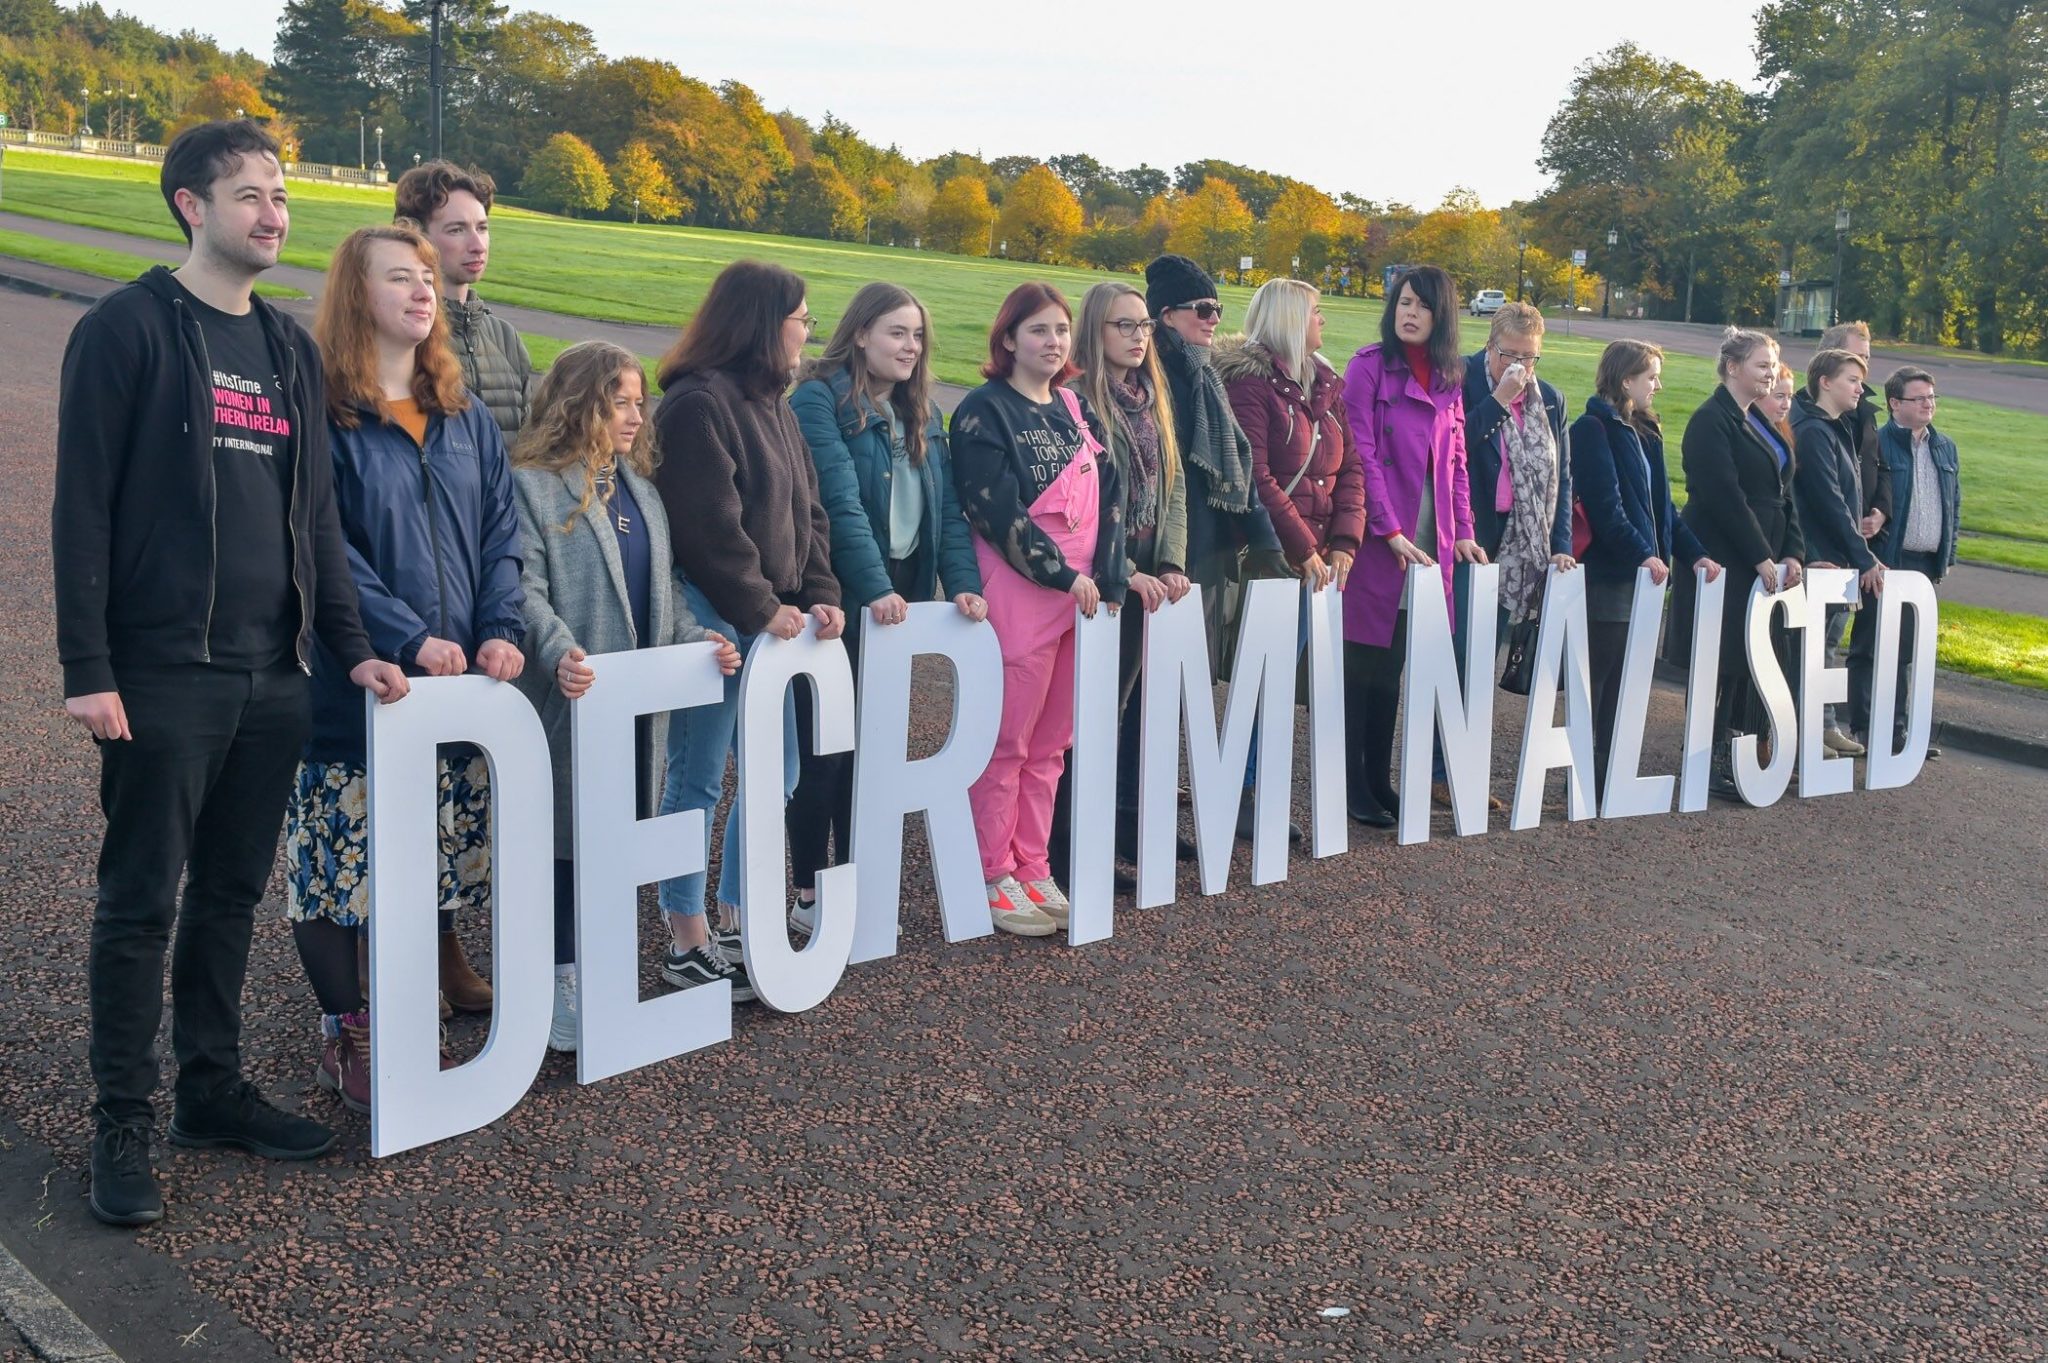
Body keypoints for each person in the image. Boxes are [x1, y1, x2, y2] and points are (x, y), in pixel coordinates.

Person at [54, 120, 408, 1227]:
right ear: (188, 206)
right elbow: (82, 506)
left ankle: (207, 1089)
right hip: (162, 673)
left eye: (281, 196)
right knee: (139, 901)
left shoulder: (288, 349)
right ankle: (123, 1112)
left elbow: (315, 524)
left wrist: (349, 652)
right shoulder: (127, 329)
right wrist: (87, 664)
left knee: (231, 894)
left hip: (273, 677)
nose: (272, 213)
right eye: (248, 193)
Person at [284, 223, 527, 1114]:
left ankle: (421, 982)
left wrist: (500, 626)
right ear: (358, 296)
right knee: (337, 867)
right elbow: (327, 551)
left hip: (458, 685)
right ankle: (345, 1029)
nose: (424, 291)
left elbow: (504, 533)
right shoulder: (326, 415)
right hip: (361, 682)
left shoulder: (463, 418)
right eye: (401, 278)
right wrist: (404, 638)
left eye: (427, 277)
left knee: (436, 849)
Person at [508, 342, 743, 1051]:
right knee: (560, 845)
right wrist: (555, 652)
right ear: (582, 403)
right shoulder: (532, 484)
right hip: (565, 698)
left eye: (640, 401)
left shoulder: (639, 489)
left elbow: (662, 586)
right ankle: (557, 979)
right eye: (622, 402)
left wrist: (699, 636)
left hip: (633, 709)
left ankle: (596, 968)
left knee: (611, 838)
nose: (639, 415)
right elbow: (520, 587)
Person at [652, 261, 844, 997]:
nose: (808, 331)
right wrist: (762, 607)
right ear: (765, 325)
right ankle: (686, 934)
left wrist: (820, 592)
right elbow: (711, 531)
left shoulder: (776, 406)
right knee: (698, 775)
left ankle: (735, 916)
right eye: (802, 318)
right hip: (717, 618)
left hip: (774, 622)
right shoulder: (698, 405)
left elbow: (811, 516)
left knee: (779, 773)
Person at [787, 284, 986, 931]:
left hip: (896, 600)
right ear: (862, 333)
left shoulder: (919, 412)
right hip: (839, 602)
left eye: (918, 335)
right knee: (825, 757)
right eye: (897, 332)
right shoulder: (819, 400)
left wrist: (961, 582)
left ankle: (861, 883)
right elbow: (838, 505)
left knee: (874, 753)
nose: (910, 346)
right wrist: (873, 588)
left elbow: (948, 510)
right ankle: (809, 891)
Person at [950, 282, 1125, 934]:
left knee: (1052, 743)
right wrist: (1058, 574)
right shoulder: (982, 411)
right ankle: (991, 871)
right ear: (1008, 340)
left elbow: (1113, 493)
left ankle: (1032, 863)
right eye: (1038, 331)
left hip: (1078, 602)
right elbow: (992, 509)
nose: (1052, 343)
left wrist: (1108, 575)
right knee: (1007, 741)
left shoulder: (1077, 409)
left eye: (1059, 330)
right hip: (1022, 596)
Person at [1050, 280, 1189, 887]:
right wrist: (1122, 572)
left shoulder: (1150, 395)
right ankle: (1061, 854)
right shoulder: (1075, 400)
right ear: (1094, 331)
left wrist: (1169, 562)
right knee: (1074, 723)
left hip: (1143, 580)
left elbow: (1175, 486)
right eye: (1123, 326)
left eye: (1143, 327)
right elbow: (1081, 506)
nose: (1138, 338)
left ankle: (1092, 846)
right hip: (1097, 579)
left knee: (1111, 715)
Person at [1214, 277, 1365, 835]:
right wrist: (1304, 547)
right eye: (1315, 313)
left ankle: (1254, 785)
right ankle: (1243, 791)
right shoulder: (1249, 388)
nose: (1323, 321)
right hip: (1276, 558)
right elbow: (1256, 475)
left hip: (1319, 560)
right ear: (1288, 321)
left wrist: (1345, 541)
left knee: (1282, 682)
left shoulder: (1325, 385)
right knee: (1265, 679)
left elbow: (1351, 468)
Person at [1338, 266, 1487, 829]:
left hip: (1432, 543)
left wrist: (1466, 530)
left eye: (1422, 306)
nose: (1410, 313)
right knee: (1362, 669)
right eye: (1403, 303)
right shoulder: (1368, 367)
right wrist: (1388, 528)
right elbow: (1362, 455)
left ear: (1441, 314)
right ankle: (1351, 786)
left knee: (1393, 670)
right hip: (1381, 543)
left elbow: (1457, 462)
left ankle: (1379, 780)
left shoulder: (1451, 378)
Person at [1569, 341, 1720, 797]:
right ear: (1625, 380)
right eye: (1651, 376)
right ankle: (1582, 780)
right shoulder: (1592, 428)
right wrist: (1642, 554)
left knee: (1626, 684)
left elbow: (1665, 510)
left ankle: (1611, 775)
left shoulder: (1646, 430)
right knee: (1598, 682)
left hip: (1646, 580)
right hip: (1611, 577)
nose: (1658, 385)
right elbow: (1605, 509)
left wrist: (1694, 555)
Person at [1450, 301, 1574, 809]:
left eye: (1531, 357)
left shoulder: (1552, 400)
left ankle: (1466, 770)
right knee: (1462, 661)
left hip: (1527, 547)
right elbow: (1455, 444)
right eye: (1509, 355)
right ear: (1489, 346)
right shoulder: (1461, 378)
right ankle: (1444, 770)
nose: (1521, 367)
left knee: (1489, 656)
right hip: (1473, 537)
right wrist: (1500, 398)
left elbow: (1563, 478)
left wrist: (1561, 544)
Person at [1670, 328, 1804, 800]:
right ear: (1732, 367)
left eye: (1773, 365)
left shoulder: (1754, 420)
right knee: (1717, 663)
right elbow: (1722, 496)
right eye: (1762, 365)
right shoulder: (1712, 420)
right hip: (1723, 558)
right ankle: (1703, 759)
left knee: (1743, 663)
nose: (1771, 373)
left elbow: (1784, 495)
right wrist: (1760, 554)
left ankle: (1728, 753)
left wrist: (1792, 552)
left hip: (1759, 560)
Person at [1144, 255, 1288, 672]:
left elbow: (1237, 465)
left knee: (1185, 691)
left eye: (1218, 309)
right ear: (1168, 316)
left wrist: (1266, 541)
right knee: (1149, 693)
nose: (1213, 319)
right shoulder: (1154, 380)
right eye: (1203, 309)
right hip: (1167, 557)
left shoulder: (1205, 377)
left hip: (1207, 550)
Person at [1847, 366, 1958, 758]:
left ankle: (1898, 734)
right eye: (1919, 398)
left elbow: (1953, 505)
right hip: (1886, 560)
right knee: (1869, 647)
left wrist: (1947, 555)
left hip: (1925, 566)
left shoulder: (1945, 447)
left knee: (1906, 653)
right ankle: (1861, 728)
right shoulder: (1877, 443)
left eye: (1932, 397)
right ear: (1895, 404)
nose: (1929, 403)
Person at [1791, 348, 1885, 756]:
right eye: (1852, 380)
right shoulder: (1813, 431)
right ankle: (1806, 732)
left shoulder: (1835, 427)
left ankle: (1824, 726)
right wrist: (1863, 556)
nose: (1860, 389)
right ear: (1825, 382)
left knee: (1828, 648)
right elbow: (1829, 501)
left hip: (1840, 558)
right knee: (1811, 650)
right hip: (1824, 558)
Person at [394, 160, 531, 436]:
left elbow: (529, 448)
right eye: (457, 230)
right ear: (417, 236)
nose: (478, 246)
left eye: (482, 228)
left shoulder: (506, 339)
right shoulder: (400, 334)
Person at [1817, 319, 1892, 550]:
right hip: (1828, 542)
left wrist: (1881, 512)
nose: (1863, 364)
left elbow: (1881, 467)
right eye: (1856, 356)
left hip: (1866, 542)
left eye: (1866, 357)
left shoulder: (1865, 411)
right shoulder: (1814, 413)